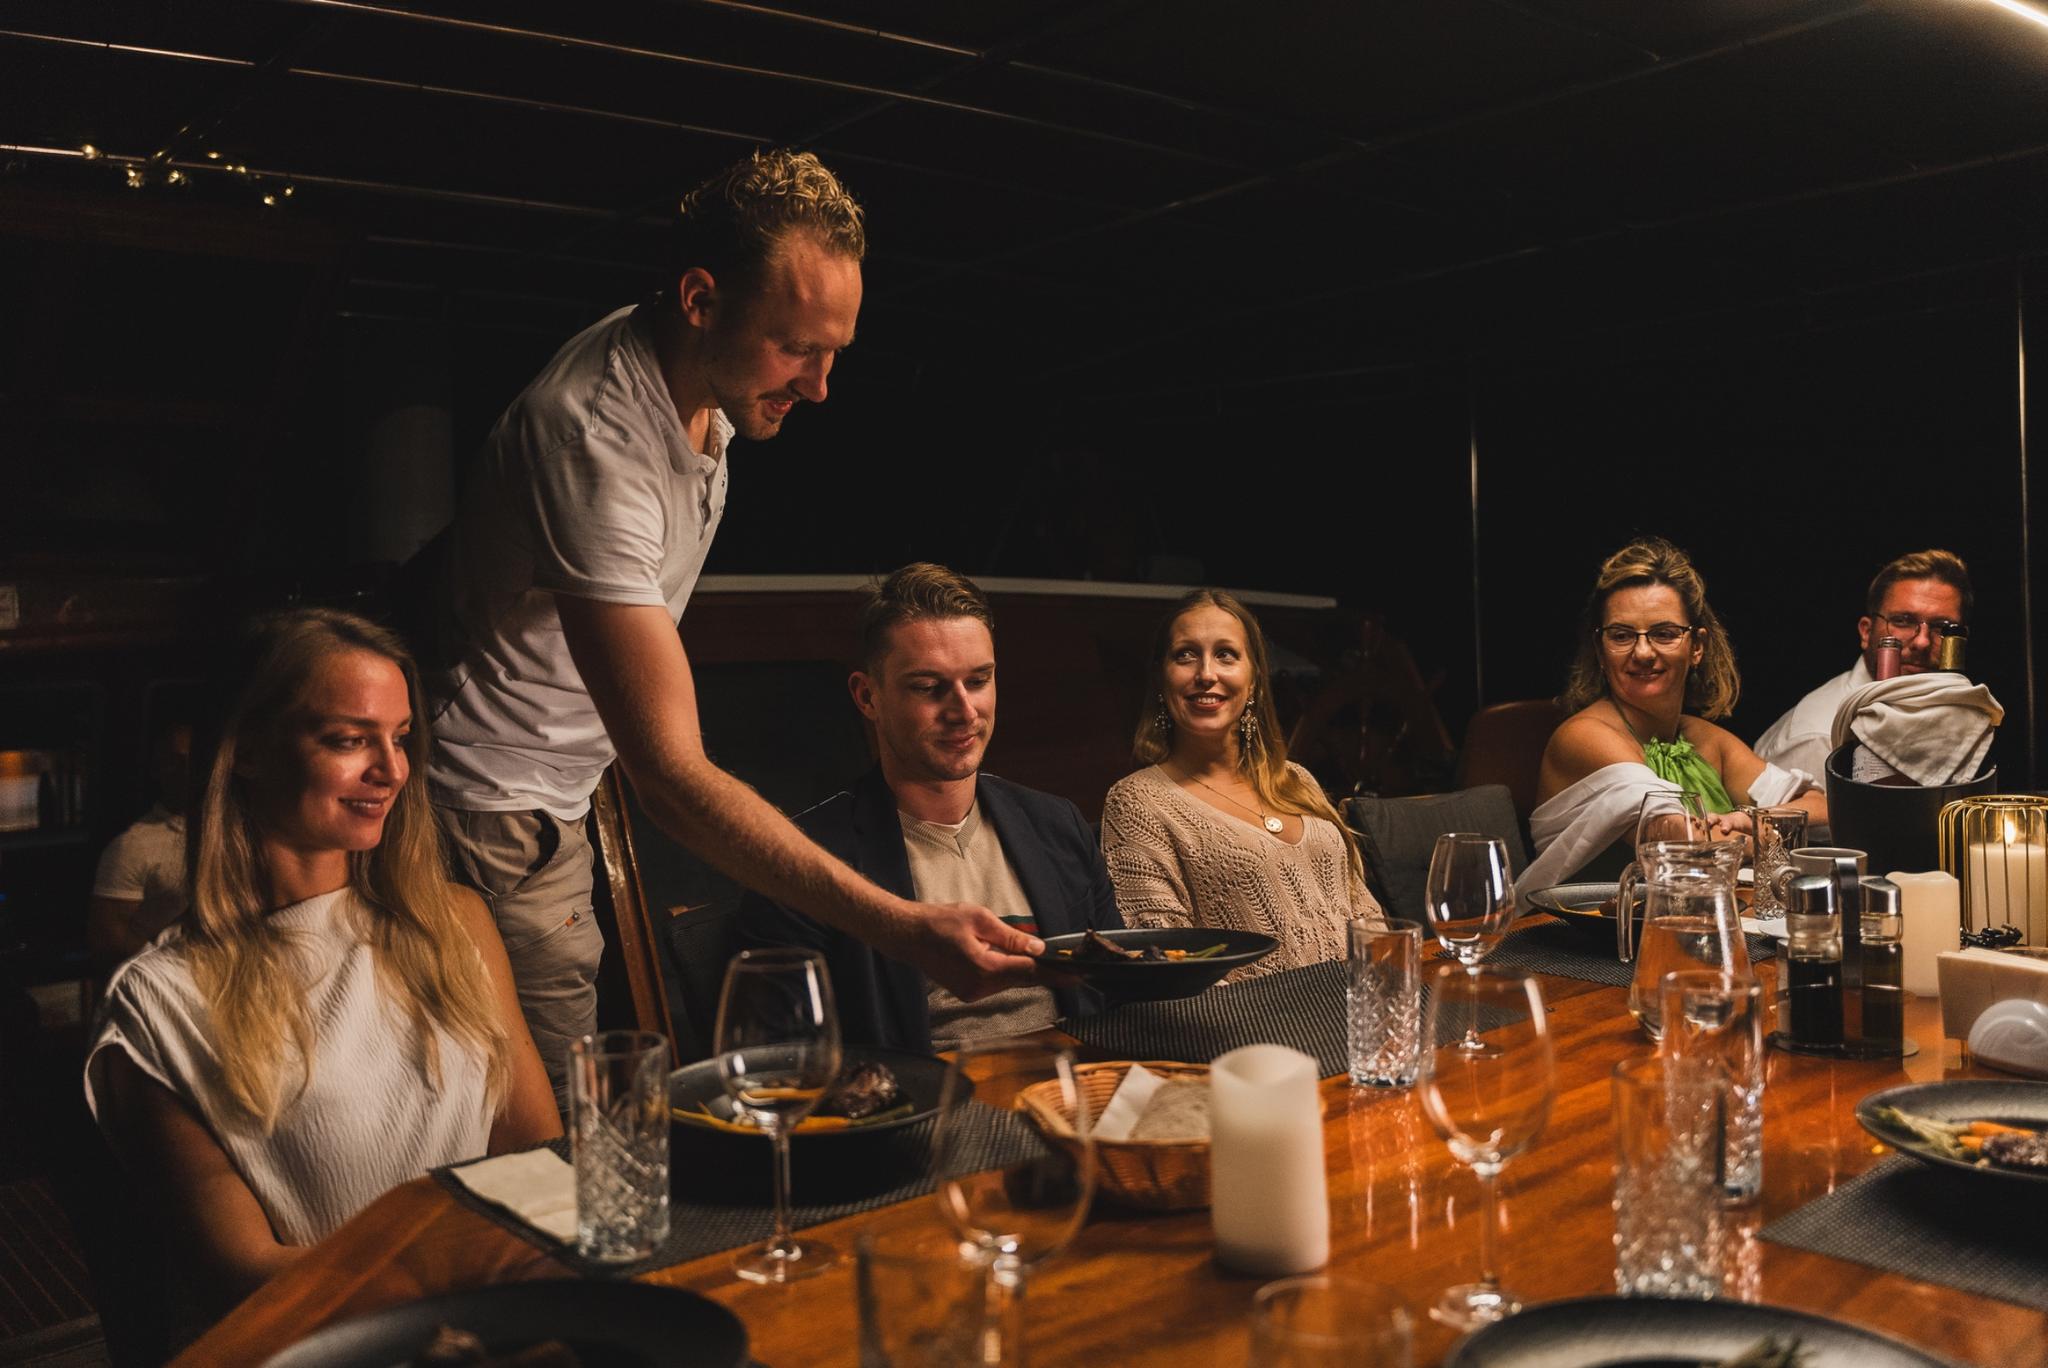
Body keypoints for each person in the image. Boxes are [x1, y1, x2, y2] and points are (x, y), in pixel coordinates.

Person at [418, 149, 1039, 1104]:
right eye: (796, 347)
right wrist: (903, 927)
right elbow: (669, 773)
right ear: (700, 297)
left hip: (565, 794)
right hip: (487, 809)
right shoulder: (594, 436)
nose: (821, 385)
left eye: (836, 351)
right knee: (549, 1143)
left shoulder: (708, 400)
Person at [84, 610, 557, 1311]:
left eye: (400, 739)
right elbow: (238, 1269)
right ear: (246, 749)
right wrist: (449, 1282)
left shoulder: (455, 920)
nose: (392, 770)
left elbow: (536, 1152)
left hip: (506, 1314)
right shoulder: (158, 1001)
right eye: (347, 739)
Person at [737, 564, 1121, 1050]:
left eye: (978, 680)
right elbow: (786, 1059)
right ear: (867, 696)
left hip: (1082, 1089)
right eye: (927, 687)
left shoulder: (1056, 824)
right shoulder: (802, 858)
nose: (964, 710)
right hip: (927, 1107)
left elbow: (1118, 989)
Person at [1520, 537, 1826, 900]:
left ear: (1696, 647)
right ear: (1600, 651)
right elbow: (1684, 844)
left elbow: (1823, 808)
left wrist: (1750, 823)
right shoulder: (1583, 737)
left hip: (1688, 925)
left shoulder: (1706, 738)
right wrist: (1775, 831)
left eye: (1664, 634)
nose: (1644, 652)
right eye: (1621, 636)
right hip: (1577, 945)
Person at [1100, 589, 1382, 980]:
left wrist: (1389, 992)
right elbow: (1167, 962)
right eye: (1185, 655)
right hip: (1254, 1027)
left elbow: (1366, 916)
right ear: (1162, 680)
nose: (1206, 674)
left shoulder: (1296, 779)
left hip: (1358, 1008)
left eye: (1226, 655)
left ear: (1253, 682)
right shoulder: (1138, 802)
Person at [1753, 549, 1974, 782]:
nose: (1922, 641)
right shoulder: (1819, 735)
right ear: (1867, 632)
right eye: (1902, 621)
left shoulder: (1965, 719)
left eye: (1942, 627)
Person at [88, 715, 193, 967]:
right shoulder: (133, 846)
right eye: (176, 762)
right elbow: (108, 944)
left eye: (195, 761)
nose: (187, 771)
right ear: (157, 770)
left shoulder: (235, 830)